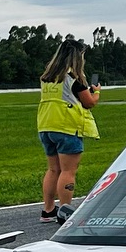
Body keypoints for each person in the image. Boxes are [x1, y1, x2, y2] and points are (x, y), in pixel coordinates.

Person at [37, 38, 100, 224]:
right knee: (68, 171)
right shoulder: (73, 78)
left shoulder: (47, 78)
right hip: (66, 127)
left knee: (53, 169)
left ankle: (48, 210)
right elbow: (89, 102)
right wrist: (96, 92)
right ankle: (65, 211)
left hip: (46, 126)